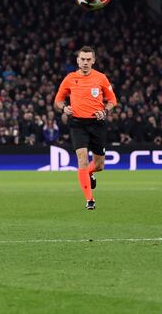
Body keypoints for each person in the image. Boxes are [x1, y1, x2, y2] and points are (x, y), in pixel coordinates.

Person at [54, 46, 117, 210]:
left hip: (97, 124)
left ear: (93, 61)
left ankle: (89, 173)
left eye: (88, 59)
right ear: (77, 60)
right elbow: (58, 100)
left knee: (99, 165)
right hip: (77, 124)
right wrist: (63, 108)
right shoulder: (70, 78)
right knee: (82, 159)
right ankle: (90, 199)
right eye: (82, 59)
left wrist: (105, 111)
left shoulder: (101, 78)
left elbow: (112, 100)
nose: (85, 62)